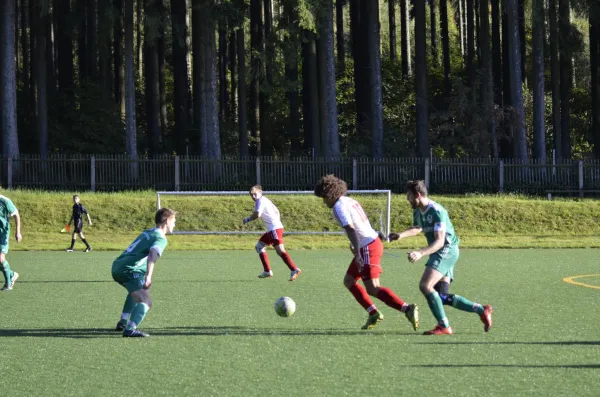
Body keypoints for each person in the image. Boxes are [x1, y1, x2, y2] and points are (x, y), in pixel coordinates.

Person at [314, 175, 419, 330]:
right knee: (349, 281)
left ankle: (407, 309)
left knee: (373, 287)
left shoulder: (338, 206)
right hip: (369, 243)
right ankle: (373, 313)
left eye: (324, 198)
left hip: (368, 247)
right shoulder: (350, 201)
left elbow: (350, 228)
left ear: (330, 194)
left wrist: (357, 253)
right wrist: (356, 246)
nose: (324, 202)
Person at [389, 180, 493, 335]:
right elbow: (418, 227)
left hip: (446, 250)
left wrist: (420, 253)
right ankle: (481, 309)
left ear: (418, 195)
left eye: (409, 196)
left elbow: (440, 241)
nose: (407, 199)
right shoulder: (418, 209)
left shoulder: (437, 211)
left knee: (425, 286)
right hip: (441, 251)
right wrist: (399, 236)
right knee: (440, 296)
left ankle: (444, 326)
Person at [111, 208, 176, 337]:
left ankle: (123, 321)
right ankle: (130, 329)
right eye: (173, 221)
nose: (175, 224)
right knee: (146, 301)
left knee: (135, 291)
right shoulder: (161, 238)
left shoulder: (149, 232)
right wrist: (149, 276)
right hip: (129, 270)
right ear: (167, 221)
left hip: (118, 265)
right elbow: (153, 254)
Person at [243, 185, 302, 281]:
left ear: (260, 192)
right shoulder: (265, 200)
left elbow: (257, 214)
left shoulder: (260, 201)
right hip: (274, 228)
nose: (253, 196)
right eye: (251, 195)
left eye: (255, 194)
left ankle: (294, 269)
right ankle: (267, 271)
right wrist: (276, 221)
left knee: (280, 251)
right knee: (259, 246)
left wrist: (247, 219)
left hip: (274, 229)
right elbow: (276, 211)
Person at [0, 193, 22, 291]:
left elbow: (16, 215)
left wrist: (18, 232)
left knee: (0, 258)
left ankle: (8, 284)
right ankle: (12, 275)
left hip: (3, 233)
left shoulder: (5, 201)